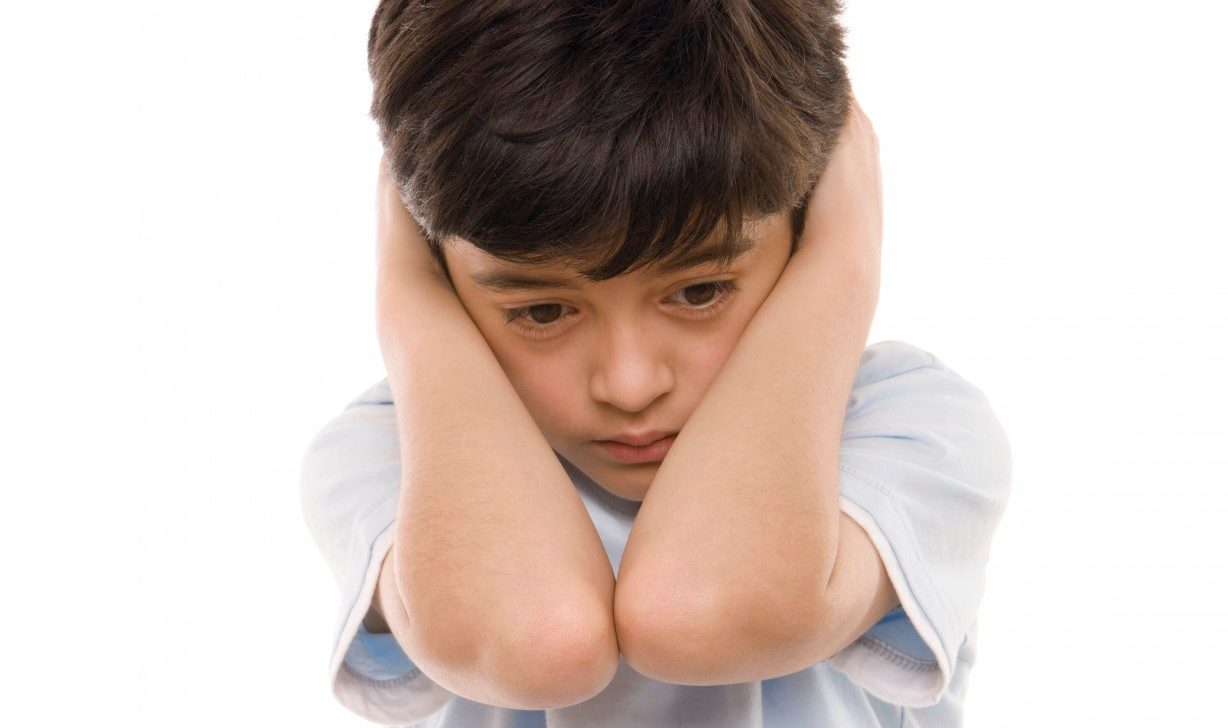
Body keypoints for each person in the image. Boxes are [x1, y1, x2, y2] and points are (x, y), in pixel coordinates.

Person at [300, 1, 1013, 725]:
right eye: (541, 311)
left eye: (700, 291)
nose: (631, 385)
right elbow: (540, 642)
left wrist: (842, 267)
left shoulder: (914, 426)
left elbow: (699, 615)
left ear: (809, 227)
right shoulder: (391, 451)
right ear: (435, 270)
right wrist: (407, 303)